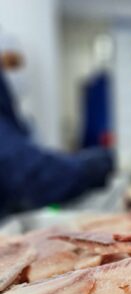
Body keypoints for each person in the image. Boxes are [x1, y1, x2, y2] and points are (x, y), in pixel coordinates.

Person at [0, 37, 114, 216]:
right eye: (9, 64)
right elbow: (35, 175)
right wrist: (101, 162)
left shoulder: (14, 121)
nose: (16, 72)